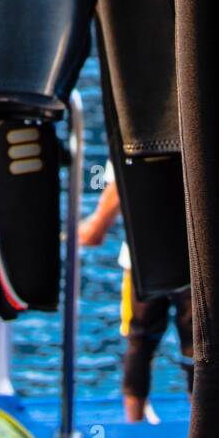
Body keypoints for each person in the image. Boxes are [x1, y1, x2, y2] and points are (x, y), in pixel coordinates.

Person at [79, 163, 193, 423]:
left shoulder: (132, 127)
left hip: (146, 257)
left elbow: (118, 182)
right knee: (197, 347)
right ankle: (202, 428)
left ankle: (136, 423)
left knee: (140, 340)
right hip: (192, 257)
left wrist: (97, 226)